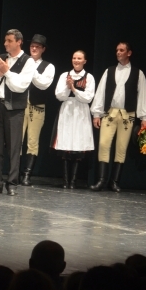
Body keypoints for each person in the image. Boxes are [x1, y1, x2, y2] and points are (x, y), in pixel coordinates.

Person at [89, 42, 146, 191]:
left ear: (129, 53)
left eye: (121, 50)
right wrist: (97, 114)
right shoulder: (109, 71)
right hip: (110, 113)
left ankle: (114, 182)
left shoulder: (138, 73)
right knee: (104, 144)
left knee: (121, 147)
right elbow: (101, 92)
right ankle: (101, 180)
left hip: (127, 115)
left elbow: (143, 95)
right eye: (117, 50)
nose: (118, 52)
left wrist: (145, 118)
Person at [0, 29, 37, 196]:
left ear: (19, 42)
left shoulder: (28, 61)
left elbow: (21, 86)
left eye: (9, 41)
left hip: (15, 109)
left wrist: (7, 72)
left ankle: (12, 183)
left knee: (14, 148)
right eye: (5, 40)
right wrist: (0, 73)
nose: (5, 43)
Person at [51, 50, 95, 188]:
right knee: (65, 143)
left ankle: (73, 181)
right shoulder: (65, 75)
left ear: (85, 61)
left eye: (79, 58)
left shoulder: (89, 77)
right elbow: (59, 95)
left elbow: (88, 97)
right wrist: (67, 87)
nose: (76, 60)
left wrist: (74, 89)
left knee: (77, 144)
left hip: (81, 111)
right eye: (74, 58)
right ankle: (65, 181)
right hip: (67, 110)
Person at [19, 34, 55, 186]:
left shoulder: (48, 66)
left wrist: (31, 68)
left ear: (43, 49)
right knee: (17, 140)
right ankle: (15, 173)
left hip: (37, 107)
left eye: (37, 46)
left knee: (32, 141)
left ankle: (27, 174)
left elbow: (43, 84)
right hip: (21, 105)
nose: (34, 48)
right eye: (32, 46)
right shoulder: (22, 62)